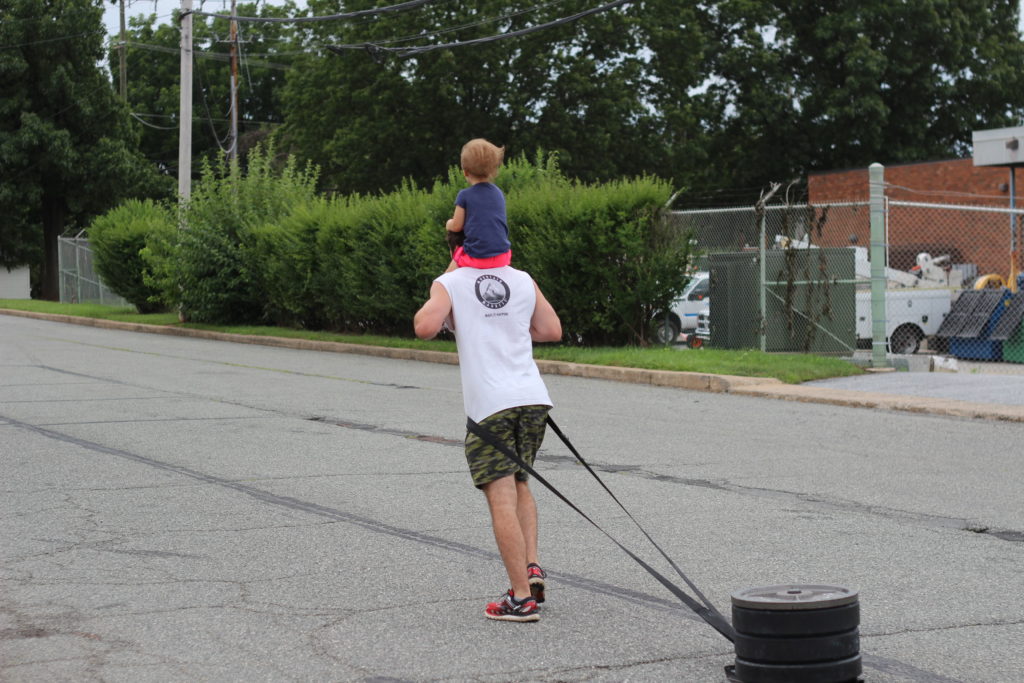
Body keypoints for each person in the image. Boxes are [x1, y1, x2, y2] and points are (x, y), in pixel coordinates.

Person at [414, 260, 562, 622]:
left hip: (492, 407)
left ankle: (521, 599)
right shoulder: (524, 279)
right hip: (532, 399)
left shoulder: (451, 283)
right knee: (520, 481)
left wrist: (450, 272)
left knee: (501, 497)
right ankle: (532, 567)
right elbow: (551, 329)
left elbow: (424, 327)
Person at [444, 138, 512, 272]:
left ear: (465, 172)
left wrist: (448, 223)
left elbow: (457, 226)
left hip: (477, 257)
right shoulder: (498, 193)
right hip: (502, 256)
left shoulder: (464, 195)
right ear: (493, 170)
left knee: (442, 281)